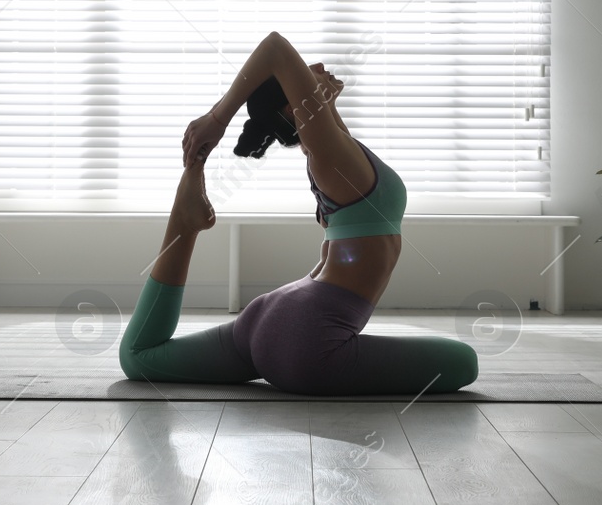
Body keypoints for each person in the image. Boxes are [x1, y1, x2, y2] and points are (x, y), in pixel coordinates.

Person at [118, 31, 479, 395]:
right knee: (464, 361)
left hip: (267, 322)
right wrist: (217, 117)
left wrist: (328, 102)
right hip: (307, 339)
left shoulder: (335, 156)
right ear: (296, 108)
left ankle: (183, 223)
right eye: (306, 72)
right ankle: (184, 219)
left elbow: (329, 126)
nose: (318, 67)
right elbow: (275, 47)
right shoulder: (329, 158)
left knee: (140, 357)